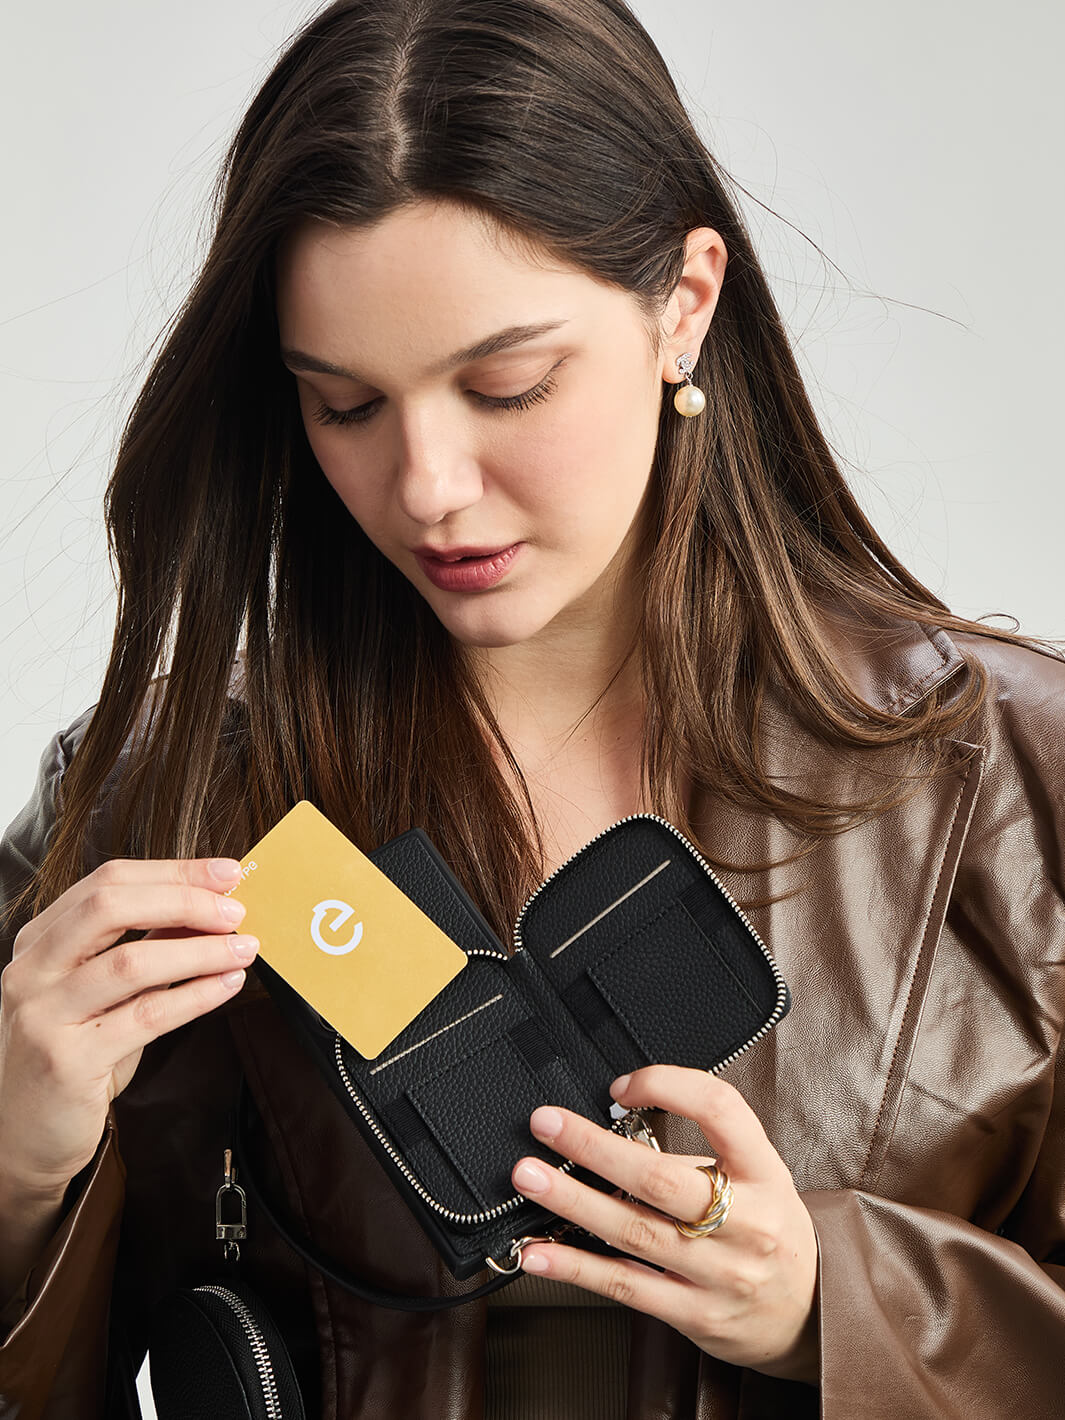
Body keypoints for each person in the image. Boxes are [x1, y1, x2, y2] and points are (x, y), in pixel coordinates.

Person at [2, 0, 1064, 1416]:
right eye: (345, 406)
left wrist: (843, 1303)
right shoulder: (170, 796)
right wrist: (15, 1161)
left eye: (508, 387)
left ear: (684, 305)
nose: (427, 487)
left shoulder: (1019, 783)